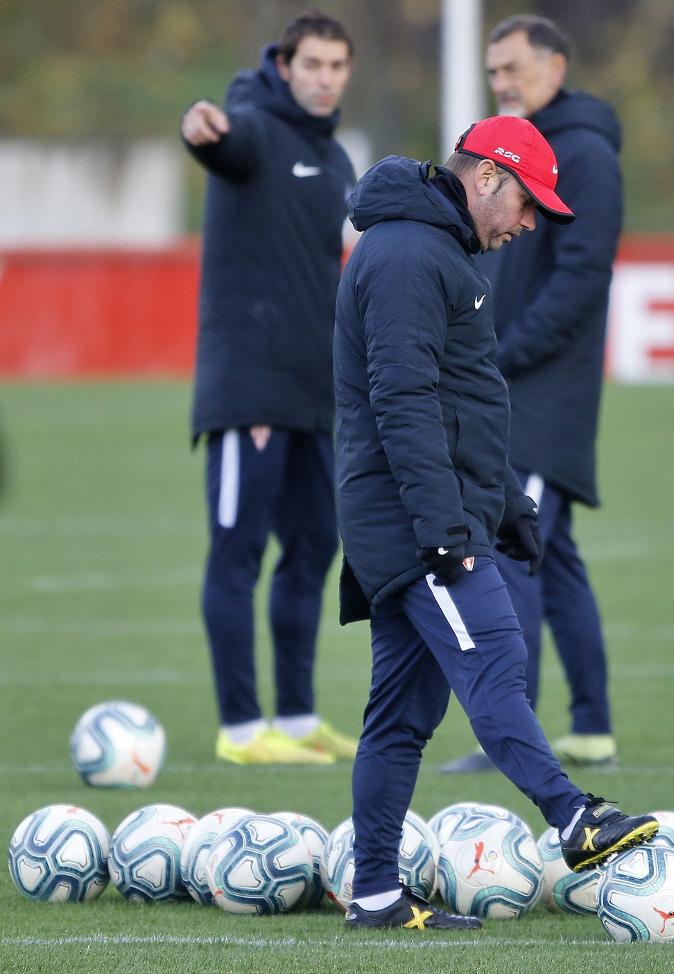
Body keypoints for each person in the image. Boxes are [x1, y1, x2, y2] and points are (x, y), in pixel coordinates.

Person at [333, 115, 658, 931]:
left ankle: (374, 895)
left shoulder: (438, 251)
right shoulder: (408, 254)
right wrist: (447, 531)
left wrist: (506, 503)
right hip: (413, 520)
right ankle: (575, 818)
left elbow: (463, 400)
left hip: (430, 509)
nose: (527, 224)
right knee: (496, 655)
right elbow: (402, 401)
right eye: (525, 203)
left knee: (401, 715)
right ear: (485, 178)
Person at [441, 14, 623, 774]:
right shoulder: (527, 153)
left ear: (555, 65)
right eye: (492, 72)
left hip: (541, 397)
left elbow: (581, 280)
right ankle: (592, 727)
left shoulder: (583, 154)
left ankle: (511, 733)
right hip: (516, 387)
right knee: (555, 554)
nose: (501, 83)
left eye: (512, 69)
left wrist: (500, 358)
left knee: (514, 551)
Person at [181, 11, 359, 766]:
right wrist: (203, 131)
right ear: (284, 66)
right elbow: (223, 141)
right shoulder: (252, 127)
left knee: (314, 549)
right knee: (238, 554)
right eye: (312, 64)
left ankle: (295, 717)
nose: (324, 78)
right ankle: (241, 731)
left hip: (315, 395)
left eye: (337, 66)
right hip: (249, 393)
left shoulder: (339, 159)